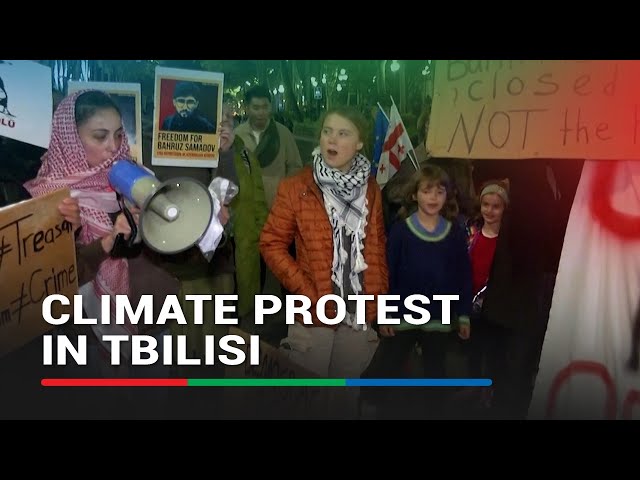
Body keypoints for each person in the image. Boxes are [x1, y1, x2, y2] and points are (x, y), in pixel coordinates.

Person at [23, 90, 180, 418]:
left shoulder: (142, 179)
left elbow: (180, 256)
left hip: (154, 323)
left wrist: (206, 228)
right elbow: (47, 287)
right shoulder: (48, 199)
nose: (113, 146)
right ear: (70, 139)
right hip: (93, 339)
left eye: (119, 134)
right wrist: (98, 241)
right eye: (100, 136)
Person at [259, 105, 388, 419]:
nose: (332, 139)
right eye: (327, 131)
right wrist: (305, 292)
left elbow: (377, 249)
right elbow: (271, 243)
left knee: (344, 396)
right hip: (314, 312)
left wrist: (379, 306)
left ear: (359, 143)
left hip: (357, 312)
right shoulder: (296, 187)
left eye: (343, 133)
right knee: (308, 396)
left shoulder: (371, 188)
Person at [363, 164, 472, 419]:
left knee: (436, 370)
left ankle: (435, 410)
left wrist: (463, 314)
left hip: (439, 315)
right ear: (414, 195)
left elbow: (463, 276)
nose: (433, 197)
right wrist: (385, 316)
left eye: (439, 191)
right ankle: (368, 403)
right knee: (388, 362)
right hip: (404, 313)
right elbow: (387, 274)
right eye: (427, 191)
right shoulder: (401, 231)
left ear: (447, 196)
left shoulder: (454, 233)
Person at [466, 178, 509, 410]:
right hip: (472, 307)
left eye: (496, 206)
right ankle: (474, 390)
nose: (489, 211)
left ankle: (491, 394)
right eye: (486, 205)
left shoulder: (508, 240)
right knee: (474, 350)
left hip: (496, 307)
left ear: (504, 208)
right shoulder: (471, 233)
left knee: (494, 353)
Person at [234, 85, 302, 208]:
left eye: (265, 107)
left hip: (277, 206)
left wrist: (285, 194)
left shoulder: (283, 133)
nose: (261, 112)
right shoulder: (238, 134)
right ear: (247, 108)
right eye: (256, 108)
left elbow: (295, 167)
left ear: (271, 106)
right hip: (247, 206)